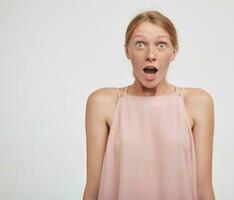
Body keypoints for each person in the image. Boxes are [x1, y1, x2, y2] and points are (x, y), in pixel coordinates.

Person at [83, 10, 216, 200]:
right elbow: (92, 191)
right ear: (127, 51)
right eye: (140, 44)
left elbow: (204, 191)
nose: (151, 55)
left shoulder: (197, 102)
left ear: (174, 52)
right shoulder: (103, 103)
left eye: (161, 45)